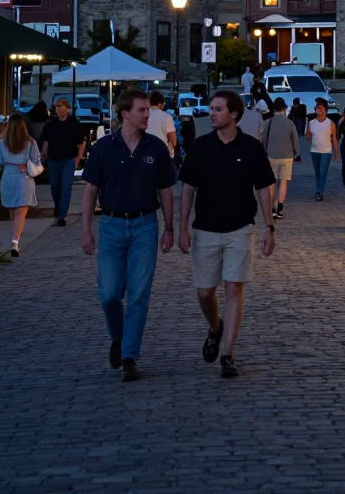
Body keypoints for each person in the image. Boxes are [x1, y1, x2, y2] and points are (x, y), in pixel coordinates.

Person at [179, 90, 276, 379]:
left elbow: (264, 188)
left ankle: (228, 354)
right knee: (205, 292)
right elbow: (187, 188)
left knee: (234, 289)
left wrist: (269, 227)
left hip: (240, 228)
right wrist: (181, 227)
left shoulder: (251, 147)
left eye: (217, 109)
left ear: (234, 114)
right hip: (205, 229)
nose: (211, 113)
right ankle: (215, 327)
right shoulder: (200, 146)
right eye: (211, 108)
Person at [80, 88, 176, 381]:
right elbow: (90, 190)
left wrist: (170, 228)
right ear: (125, 114)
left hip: (145, 225)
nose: (148, 115)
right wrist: (86, 229)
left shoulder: (156, 148)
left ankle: (129, 356)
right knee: (109, 294)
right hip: (111, 225)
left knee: (138, 293)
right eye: (141, 110)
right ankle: (118, 336)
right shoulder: (103, 148)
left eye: (148, 109)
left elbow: (165, 190)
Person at [0, 113, 42, 257]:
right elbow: (36, 160)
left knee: (12, 210)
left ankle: (14, 239)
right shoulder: (30, 143)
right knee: (20, 212)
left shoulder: (1, 143)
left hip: (8, 175)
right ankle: (14, 243)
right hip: (23, 176)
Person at [40, 97, 86, 226]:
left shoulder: (74, 123)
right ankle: (58, 208)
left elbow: (81, 142)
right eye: (56, 106)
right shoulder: (51, 123)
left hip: (69, 160)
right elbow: (46, 141)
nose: (58, 108)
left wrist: (78, 159)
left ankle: (62, 215)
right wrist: (44, 155)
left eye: (61, 106)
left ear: (67, 108)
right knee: (55, 187)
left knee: (66, 187)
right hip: (53, 159)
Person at [263, 97, 301, 218]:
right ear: (284, 108)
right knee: (283, 182)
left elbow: (263, 140)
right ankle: (280, 206)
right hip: (287, 156)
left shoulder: (268, 122)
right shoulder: (289, 123)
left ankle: (272, 208)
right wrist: (297, 154)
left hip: (271, 156)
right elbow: (295, 140)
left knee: (271, 183)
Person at [306, 98, 339, 200]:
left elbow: (334, 138)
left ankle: (319, 193)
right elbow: (308, 136)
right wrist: (308, 133)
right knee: (317, 173)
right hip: (314, 151)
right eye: (317, 108)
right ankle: (319, 188)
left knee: (322, 172)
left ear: (325, 110)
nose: (319, 110)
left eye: (321, 108)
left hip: (326, 152)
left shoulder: (330, 124)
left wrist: (336, 152)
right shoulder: (311, 123)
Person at [145, 90, 177, 159]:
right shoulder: (167, 117)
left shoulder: (143, 115)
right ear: (161, 104)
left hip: (145, 151)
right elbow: (172, 139)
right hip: (161, 152)